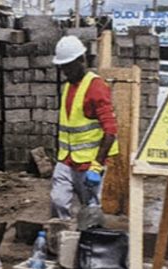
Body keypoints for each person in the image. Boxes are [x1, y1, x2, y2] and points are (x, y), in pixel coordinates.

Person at [50, 35, 119, 220]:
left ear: (82, 60)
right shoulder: (68, 87)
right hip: (66, 160)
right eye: (62, 67)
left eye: (68, 66)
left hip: (88, 164)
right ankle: (62, 240)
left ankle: (88, 244)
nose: (65, 71)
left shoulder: (96, 88)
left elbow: (110, 131)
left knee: (90, 211)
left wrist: (96, 166)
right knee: (58, 201)